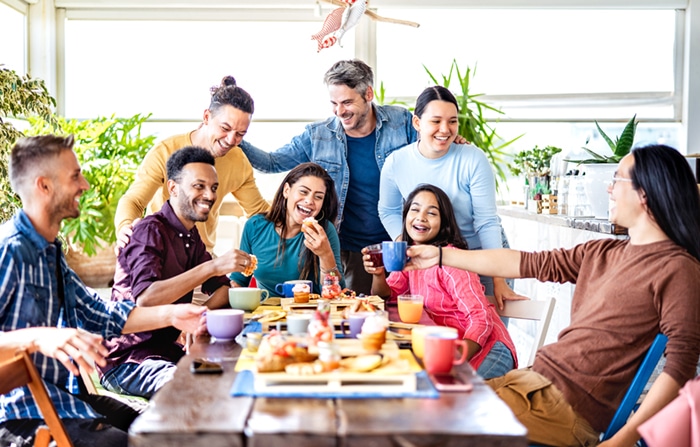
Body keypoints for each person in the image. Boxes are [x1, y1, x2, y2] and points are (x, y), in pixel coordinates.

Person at [404, 144, 700, 447]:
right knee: (410, 405)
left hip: (561, 411)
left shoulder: (677, 268)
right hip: (526, 383)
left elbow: (682, 363)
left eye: (617, 178)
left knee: (423, 428)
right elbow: (522, 263)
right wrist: (440, 256)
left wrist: (622, 440)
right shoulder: (601, 252)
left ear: (645, 193)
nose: (609, 188)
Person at [0, 134, 208, 447]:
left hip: (67, 401)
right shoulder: (10, 250)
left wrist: (173, 314)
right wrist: (39, 337)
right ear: (43, 186)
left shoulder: (50, 252)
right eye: (75, 176)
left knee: (166, 425)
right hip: (23, 416)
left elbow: (101, 316)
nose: (84, 185)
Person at [239, 59, 468, 295]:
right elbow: (272, 162)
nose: (340, 111)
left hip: (403, 244)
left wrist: (452, 140)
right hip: (353, 250)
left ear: (368, 93)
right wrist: (234, 136)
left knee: (411, 313)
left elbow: (432, 145)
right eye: (334, 103)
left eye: (347, 102)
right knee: (362, 318)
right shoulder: (318, 136)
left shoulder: (401, 122)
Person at [98, 147, 254, 399]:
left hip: (170, 351)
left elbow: (223, 290)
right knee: (196, 388)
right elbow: (146, 298)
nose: (209, 195)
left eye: (214, 188)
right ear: (173, 188)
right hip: (128, 359)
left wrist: (198, 321)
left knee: (236, 375)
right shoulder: (150, 231)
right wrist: (213, 266)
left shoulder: (191, 236)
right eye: (199, 186)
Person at [378, 85, 521, 304]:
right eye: (436, 121)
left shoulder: (473, 159)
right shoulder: (396, 163)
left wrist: (499, 278)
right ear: (417, 123)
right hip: (429, 259)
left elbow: (487, 221)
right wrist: (404, 243)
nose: (445, 129)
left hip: (481, 255)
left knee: (488, 331)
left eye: (452, 121)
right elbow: (387, 209)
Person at [364, 184, 516, 379]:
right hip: (445, 347)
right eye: (415, 209)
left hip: (487, 349)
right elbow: (387, 294)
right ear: (406, 216)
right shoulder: (411, 256)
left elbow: (481, 318)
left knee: (459, 401)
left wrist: (456, 360)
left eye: (432, 213)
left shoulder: (452, 260)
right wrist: (378, 274)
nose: (421, 217)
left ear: (444, 222)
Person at [115, 76, 269, 253]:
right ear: (206, 117)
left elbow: (259, 212)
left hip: (202, 256)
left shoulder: (238, 161)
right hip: (161, 252)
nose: (231, 140)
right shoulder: (165, 151)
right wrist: (125, 227)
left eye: (240, 134)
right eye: (225, 129)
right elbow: (134, 200)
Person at [230, 162, 343, 295]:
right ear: (286, 190)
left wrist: (325, 255)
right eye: (303, 192)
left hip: (309, 312)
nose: (309, 201)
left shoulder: (324, 231)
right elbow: (238, 281)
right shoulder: (255, 226)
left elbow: (336, 291)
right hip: (265, 312)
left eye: (318, 197)